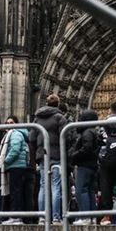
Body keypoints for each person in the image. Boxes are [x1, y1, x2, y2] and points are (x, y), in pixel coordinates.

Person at [32, 93, 68, 223]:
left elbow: (31, 138)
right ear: (58, 104)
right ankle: (56, 217)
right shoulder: (60, 117)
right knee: (56, 186)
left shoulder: (37, 119)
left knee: (43, 186)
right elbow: (66, 137)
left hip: (43, 156)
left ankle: (42, 217)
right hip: (57, 156)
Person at [67, 109, 101, 224]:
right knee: (90, 191)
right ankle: (91, 217)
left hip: (84, 165)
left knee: (81, 191)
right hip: (92, 165)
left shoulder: (87, 132)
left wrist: (74, 155)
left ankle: (85, 216)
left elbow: (87, 148)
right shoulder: (94, 131)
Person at [0, 115, 30, 224]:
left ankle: (15, 217)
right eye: (7, 123)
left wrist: (5, 161)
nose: (9, 125)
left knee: (15, 192)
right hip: (16, 166)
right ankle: (16, 216)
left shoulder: (15, 133)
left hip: (16, 166)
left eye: (11, 123)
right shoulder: (14, 133)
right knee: (16, 191)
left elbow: (15, 150)